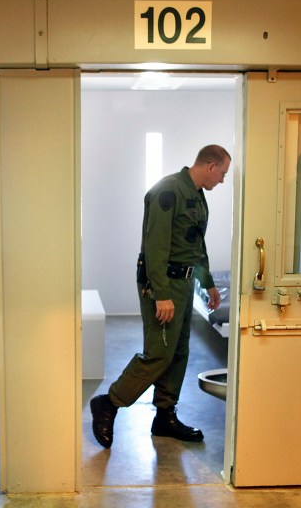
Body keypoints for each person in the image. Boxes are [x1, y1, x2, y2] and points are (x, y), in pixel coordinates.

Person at [90, 144, 230, 449]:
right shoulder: (168, 191)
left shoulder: (196, 195)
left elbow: (196, 244)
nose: (222, 181)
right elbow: (154, 247)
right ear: (209, 165)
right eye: (222, 174)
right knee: (159, 352)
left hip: (184, 283)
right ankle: (109, 402)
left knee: (179, 351)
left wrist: (207, 283)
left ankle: (165, 415)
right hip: (163, 282)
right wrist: (161, 295)